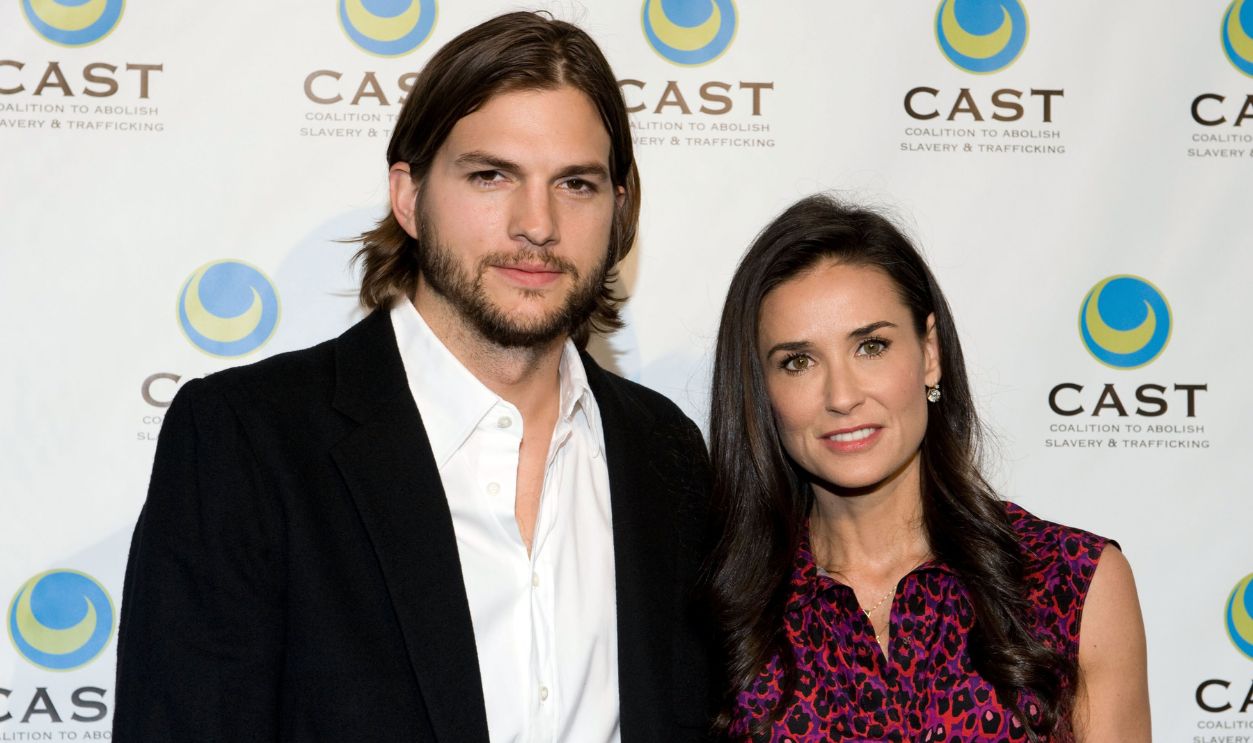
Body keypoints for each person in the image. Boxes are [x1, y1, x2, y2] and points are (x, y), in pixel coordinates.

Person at [113, 12, 714, 742]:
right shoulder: (248, 440)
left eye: (576, 184)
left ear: (619, 211)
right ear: (409, 197)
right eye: (491, 175)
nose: (537, 223)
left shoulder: (666, 453)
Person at [706, 195, 1150, 741]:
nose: (841, 396)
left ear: (930, 352)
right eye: (798, 362)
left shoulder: (1071, 581)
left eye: (871, 346)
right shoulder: (725, 614)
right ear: (761, 389)